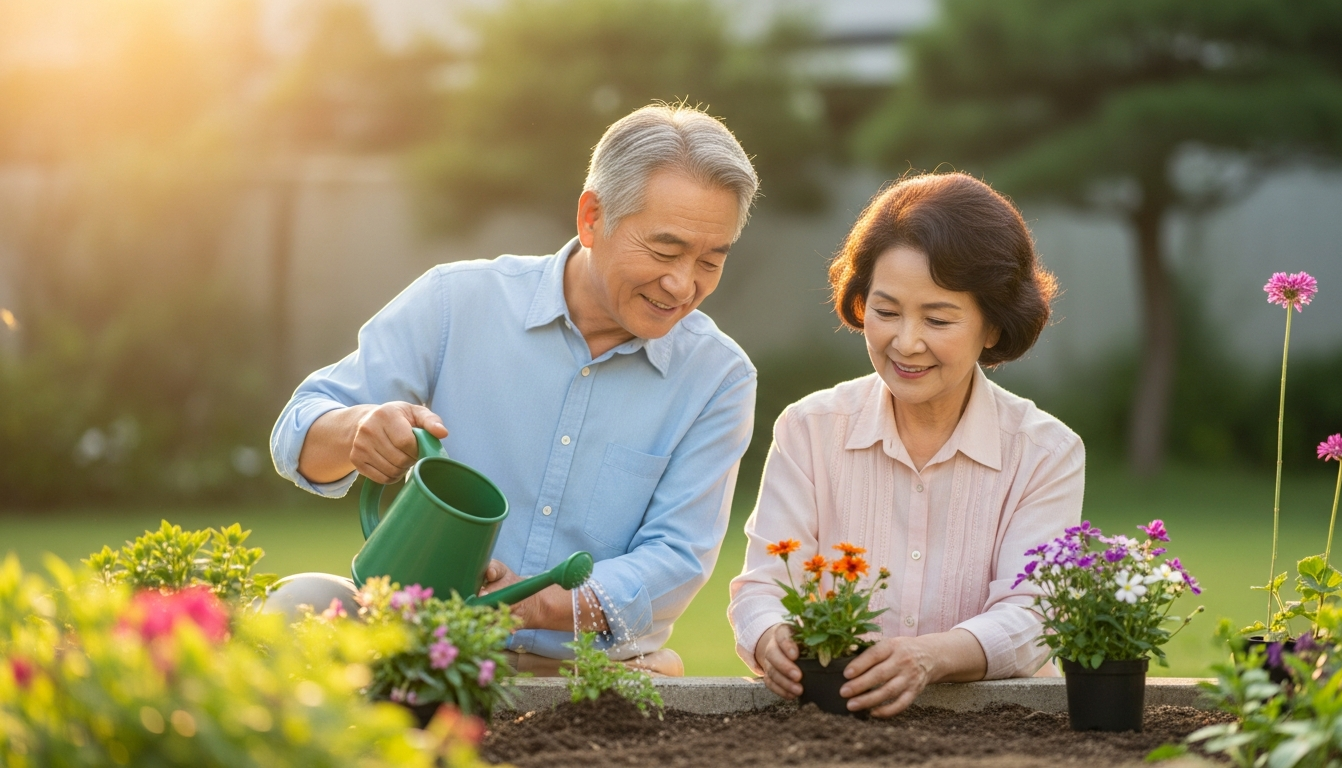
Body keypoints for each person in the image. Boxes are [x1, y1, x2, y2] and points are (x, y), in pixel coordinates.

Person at [270, 104, 760, 676]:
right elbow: (297, 430)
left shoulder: (718, 378)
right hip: (425, 656)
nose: (683, 284)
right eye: (664, 251)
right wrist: (359, 429)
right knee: (293, 604)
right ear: (591, 218)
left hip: (585, 673)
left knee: (659, 679)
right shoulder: (456, 302)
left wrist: (539, 605)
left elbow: (677, 556)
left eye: (709, 260)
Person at [728, 172, 1083, 715]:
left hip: (995, 734)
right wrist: (768, 636)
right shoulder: (810, 428)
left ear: (992, 327)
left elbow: (1033, 616)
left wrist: (928, 657)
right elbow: (762, 588)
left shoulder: (1045, 453)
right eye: (887, 312)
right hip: (832, 726)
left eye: (938, 318)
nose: (906, 342)